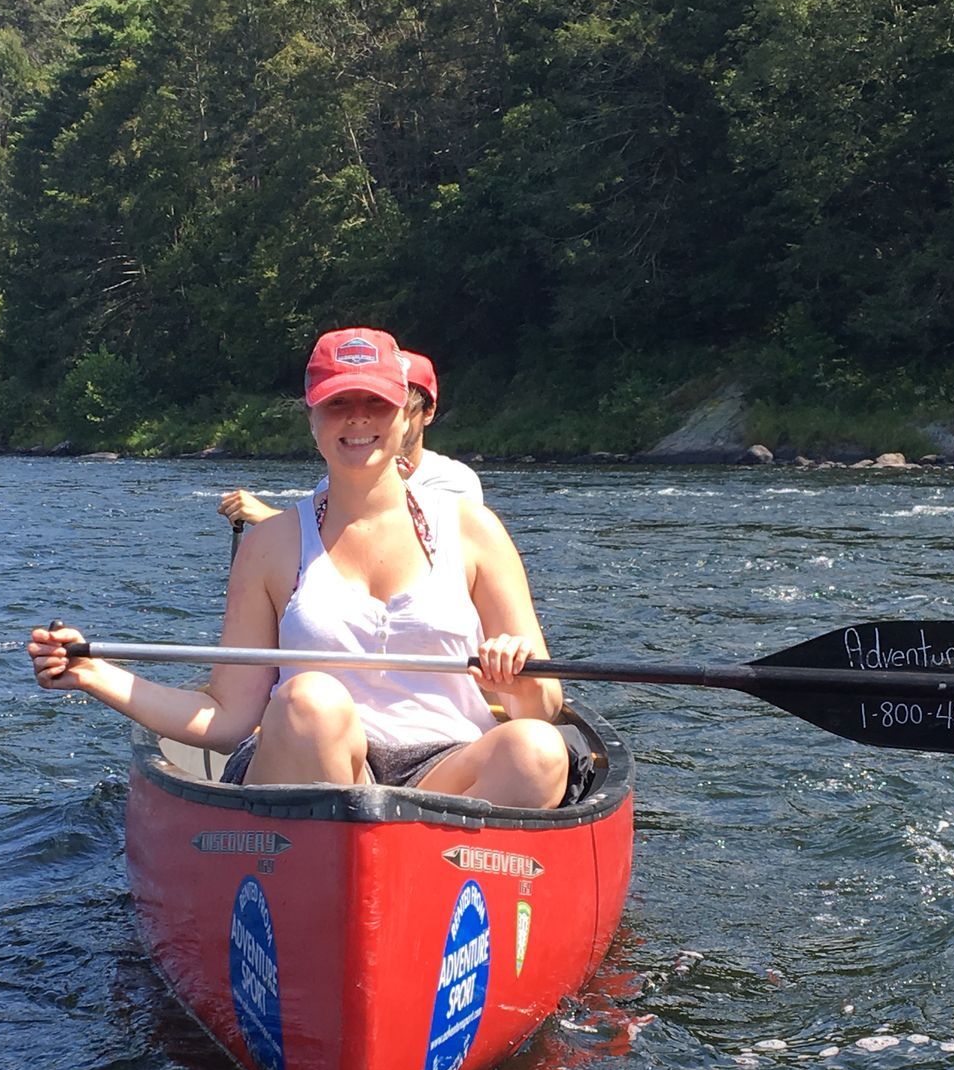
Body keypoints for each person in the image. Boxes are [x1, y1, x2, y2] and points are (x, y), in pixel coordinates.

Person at [30, 327, 568, 809]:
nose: (357, 418)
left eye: (375, 401)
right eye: (337, 403)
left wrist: (517, 684)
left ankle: (417, 876)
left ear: (405, 415)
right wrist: (93, 674)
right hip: (302, 767)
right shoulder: (272, 544)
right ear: (311, 418)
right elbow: (228, 719)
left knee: (538, 750)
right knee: (314, 702)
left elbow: (542, 708)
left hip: (442, 773)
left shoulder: (474, 529)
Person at [216, 349, 482, 528]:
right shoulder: (326, 488)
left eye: (384, 404)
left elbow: (412, 543)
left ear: (428, 412)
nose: (361, 419)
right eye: (340, 403)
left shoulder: (455, 482)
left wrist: (270, 521)